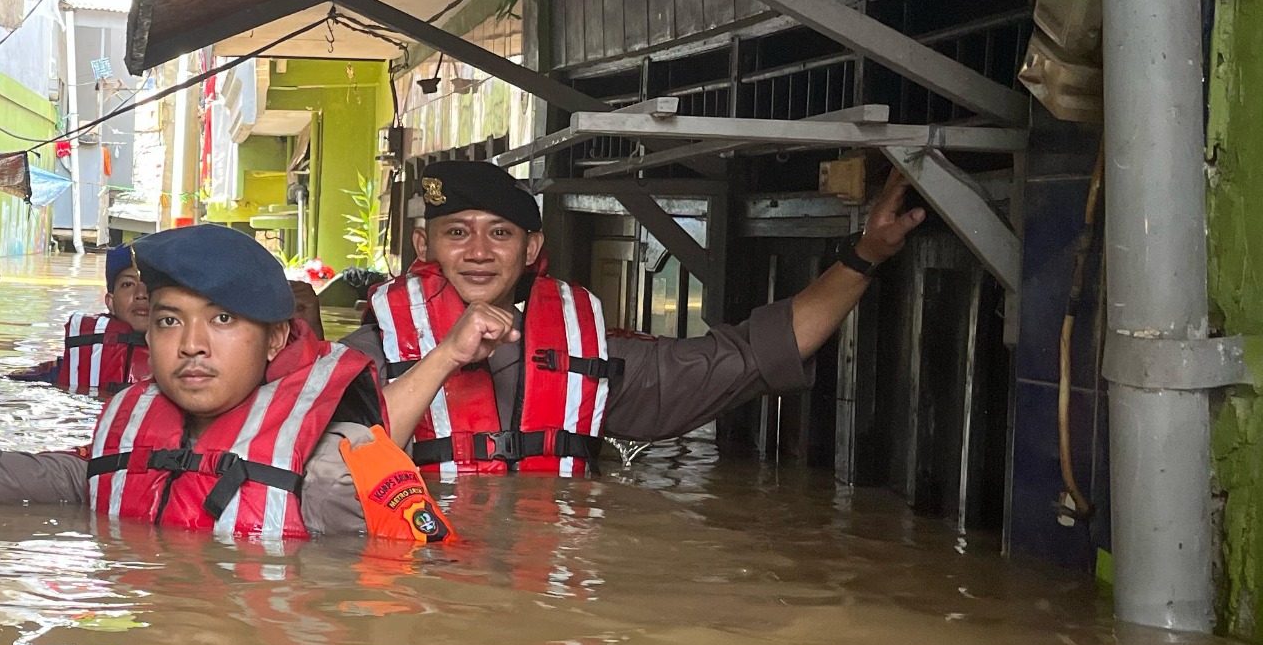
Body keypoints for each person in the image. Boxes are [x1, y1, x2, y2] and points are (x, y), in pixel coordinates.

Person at [359, 158, 926, 475]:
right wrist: (445, 356)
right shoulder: (368, 351)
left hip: (544, 601)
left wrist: (865, 256)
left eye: (500, 233)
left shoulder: (586, 360)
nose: (479, 251)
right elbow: (337, 467)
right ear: (422, 245)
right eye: (457, 233)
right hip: (426, 590)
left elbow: (746, 359)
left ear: (531, 250)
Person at [0, 225, 451, 543]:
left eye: (223, 319)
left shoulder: (336, 471)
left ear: (278, 339)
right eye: (168, 320)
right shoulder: (117, 450)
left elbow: (418, 601)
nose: (191, 344)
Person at [12, 243, 152, 391]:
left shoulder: (176, 367)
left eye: (150, 284)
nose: (141, 294)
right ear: (110, 302)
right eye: (128, 284)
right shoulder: (67, 368)